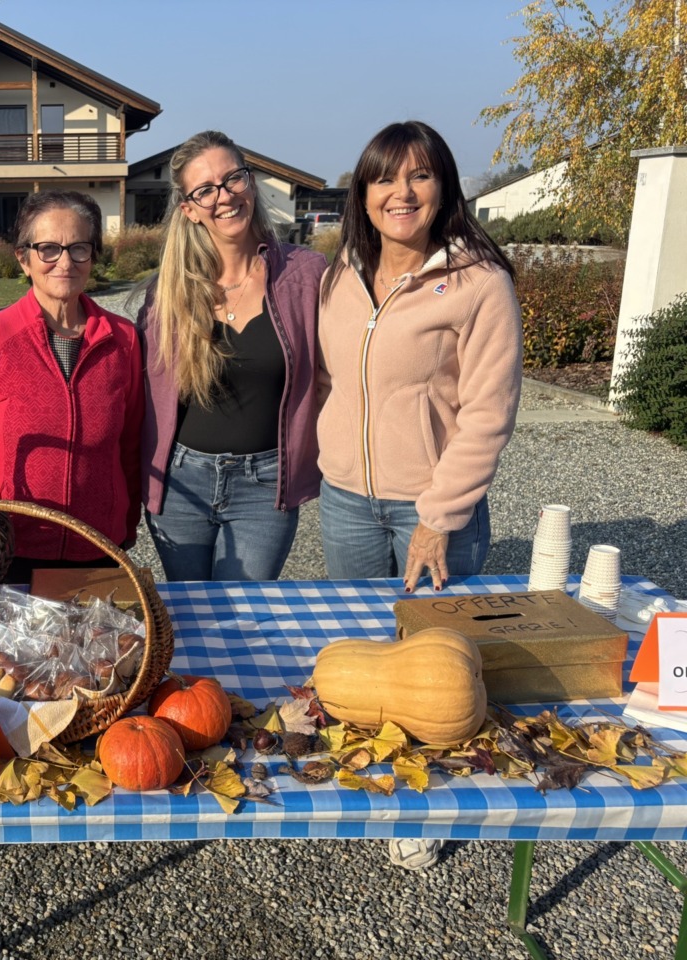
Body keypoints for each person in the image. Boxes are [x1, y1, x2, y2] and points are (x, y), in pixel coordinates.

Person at [315, 120, 522, 870]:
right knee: (372, 656)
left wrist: (439, 517)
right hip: (345, 499)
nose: (401, 193)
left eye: (420, 176)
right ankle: (380, 777)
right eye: (384, 178)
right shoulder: (341, 274)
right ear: (362, 192)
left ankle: (428, 803)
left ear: (445, 187)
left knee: (438, 661)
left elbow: (488, 411)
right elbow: (333, 380)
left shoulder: (477, 282)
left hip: (429, 507)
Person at [139, 131, 325, 582]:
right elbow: (141, 393)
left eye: (232, 179)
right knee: (190, 615)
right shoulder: (169, 291)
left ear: (251, 181)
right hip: (184, 483)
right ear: (189, 209)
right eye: (205, 190)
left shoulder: (307, 275)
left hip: (265, 485)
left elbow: (338, 375)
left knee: (245, 616)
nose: (223, 197)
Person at [0, 191, 143, 583]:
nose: (64, 262)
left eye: (79, 248)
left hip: (97, 545)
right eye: (48, 249)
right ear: (24, 258)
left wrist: (127, 525)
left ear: (93, 255)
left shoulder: (124, 341)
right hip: (7, 546)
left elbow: (130, 444)